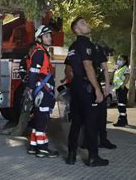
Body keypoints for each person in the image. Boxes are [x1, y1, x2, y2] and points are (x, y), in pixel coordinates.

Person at [65, 17, 109, 166]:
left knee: (76, 122)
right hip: (86, 86)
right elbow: (88, 66)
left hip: (76, 86)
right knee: (91, 122)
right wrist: (97, 89)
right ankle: (93, 157)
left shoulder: (72, 46)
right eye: (83, 23)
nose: (87, 24)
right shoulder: (86, 44)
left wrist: (73, 79)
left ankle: (71, 155)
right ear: (76, 30)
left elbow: (68, 68)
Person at [27, 25, 59, 158]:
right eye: (46, 36)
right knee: (43, 120)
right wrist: (31, 90)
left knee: (38, 118)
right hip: (42, 91)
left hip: (42, 90)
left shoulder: (43, 52)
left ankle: (34, 146)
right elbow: (33, 73)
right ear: (39, 39)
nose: (50, 38)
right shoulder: (40, 53)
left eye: (50, 35)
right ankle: (43, 149)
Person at [94, 43, 117, 149]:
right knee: (98, 115)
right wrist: (107, 86)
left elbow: (105, 69)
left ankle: (99, 140)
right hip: (92, 86)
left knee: (97, 115)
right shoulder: (98, 51)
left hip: (89, 86)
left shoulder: (91, 49)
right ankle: (99, 140)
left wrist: (107, 86)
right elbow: (105, 69)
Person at [113, 55, 130, 127]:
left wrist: (123, 85)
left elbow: (127, 77)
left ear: (125, 61)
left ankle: (122, 121)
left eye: (120, 59)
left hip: (122, 88)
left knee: (121, 105)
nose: (118, 60)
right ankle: (124, 121)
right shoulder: (118, 69)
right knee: (120, 104)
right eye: (118, 59)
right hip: (118, 88)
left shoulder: (125, 68)